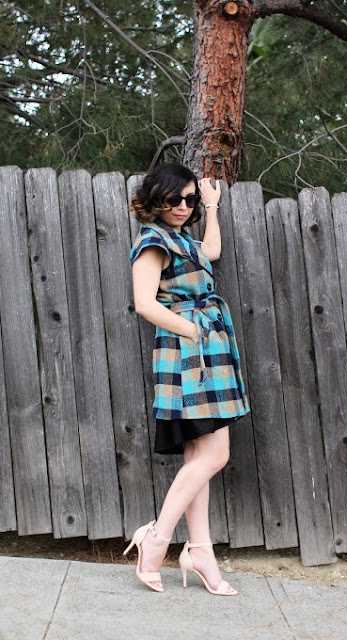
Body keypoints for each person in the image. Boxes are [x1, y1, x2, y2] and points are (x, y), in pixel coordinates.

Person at [124, 163, 250, 596]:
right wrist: (192, 330)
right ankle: (156, 538)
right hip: (187, 355)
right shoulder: (153, 241)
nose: (183, 206)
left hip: (207, 353)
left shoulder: (182, 240)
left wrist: (211, 207)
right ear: (156, 197)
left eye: (189, 199)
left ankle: (200, 550)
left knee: (199, 456)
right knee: (215, 455)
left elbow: (210, 249)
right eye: (175, 198)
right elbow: (144, 303)